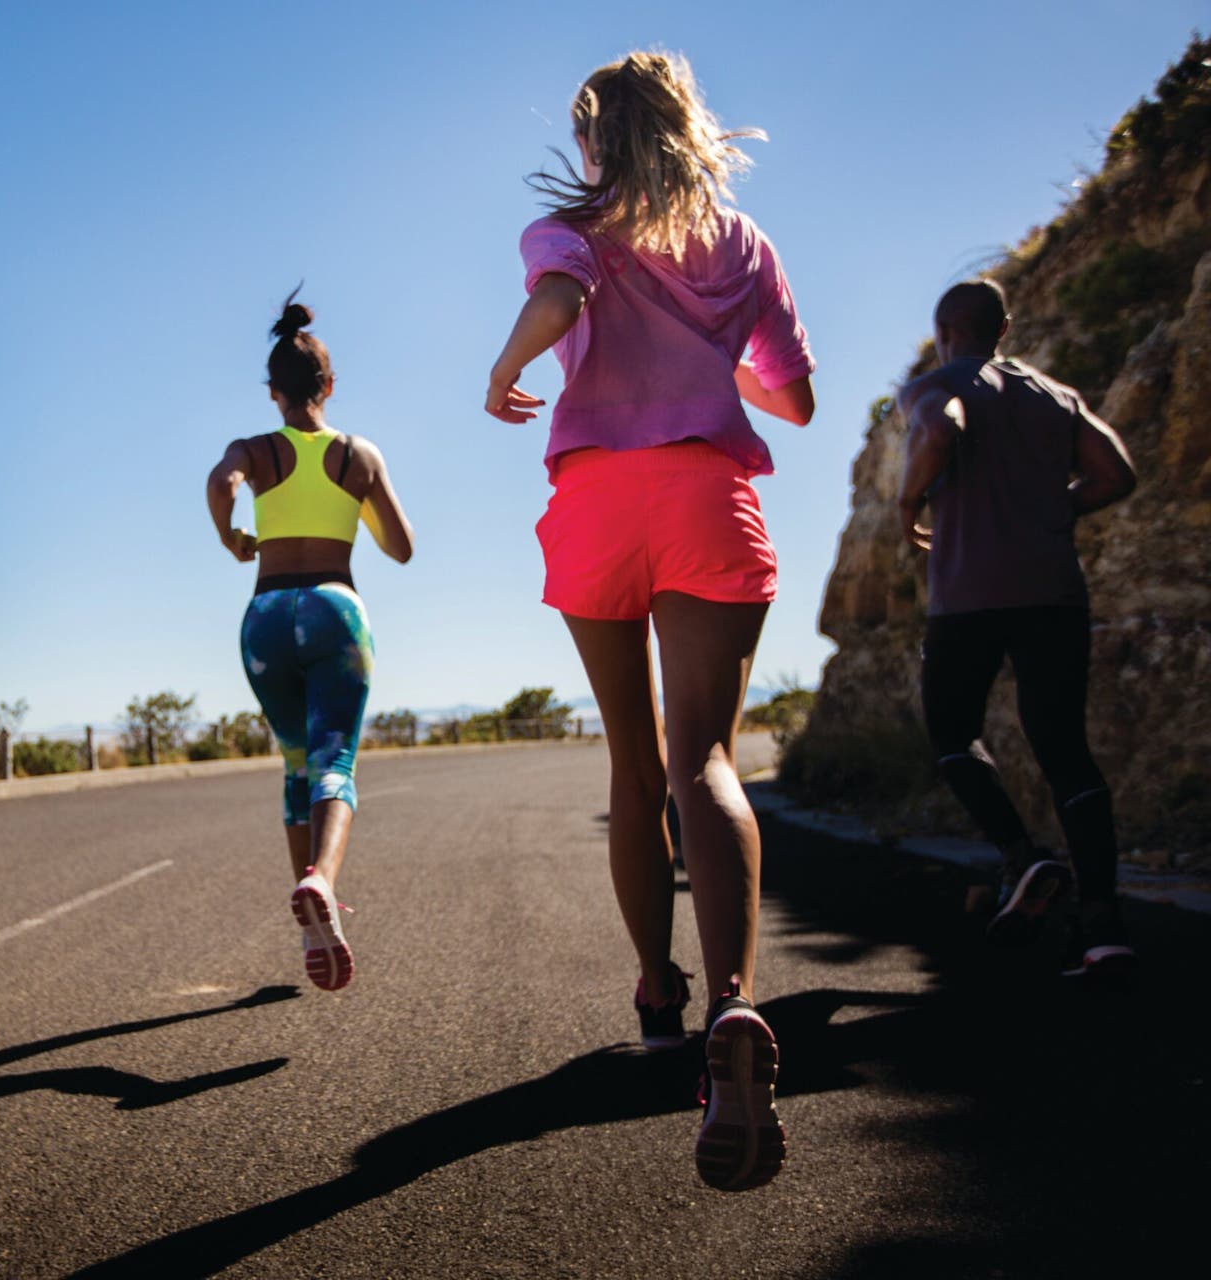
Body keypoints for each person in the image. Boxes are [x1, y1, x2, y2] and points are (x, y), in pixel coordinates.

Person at [484, 51, 815, 1192]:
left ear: (592, 141)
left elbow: (562, 298)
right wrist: (715, 369)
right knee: (706, 760)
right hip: (708, 496)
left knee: (633, 761)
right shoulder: (742, 241)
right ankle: (736, 1002)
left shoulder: (570, 226)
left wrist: (507, 364)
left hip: (597, 505)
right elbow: (795, 398)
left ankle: (658, 993)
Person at [897, 278, 1137, 977]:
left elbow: (938, 430)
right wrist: (1051, 510)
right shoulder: (1054, 396)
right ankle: (1102, 927)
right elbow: (1115, 474)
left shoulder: (934, 384)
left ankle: (1021, 855)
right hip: (1054, 594)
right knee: (1065, 750)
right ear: (1003, 329)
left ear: (944, 331)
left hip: (967, 598)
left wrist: (910, 502)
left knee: (952, 734)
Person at [206, 292, 413, 991]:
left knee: (295, 763)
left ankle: (309, 923)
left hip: (266, 615)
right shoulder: (358, 455)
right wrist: (360, 499)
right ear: (330, 385)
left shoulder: (255, 450)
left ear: (273, 392)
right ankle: (322, 879)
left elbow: (221, 482)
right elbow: (401, 548)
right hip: (333, 607)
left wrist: (233, 537)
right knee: (334, 763)